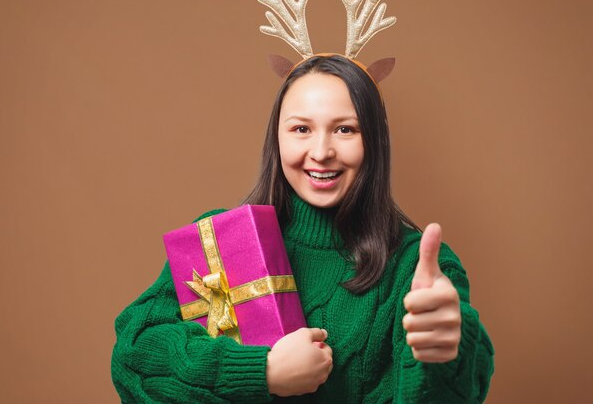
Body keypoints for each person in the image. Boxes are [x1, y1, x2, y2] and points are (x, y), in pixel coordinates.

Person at [110, 54, 494, 403]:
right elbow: (133, 357)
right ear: (276, 138)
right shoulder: (217, 240)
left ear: (375, 141)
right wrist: (262, 372)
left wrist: (448, 350)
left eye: (345, 130)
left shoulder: (417, 269)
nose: (322, 151)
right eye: (301, 129)